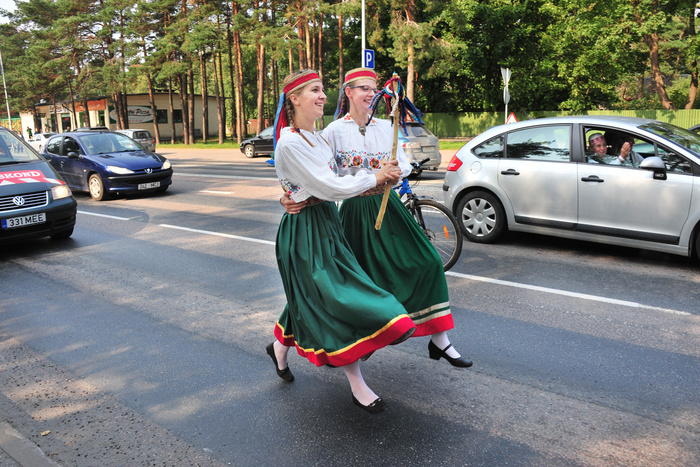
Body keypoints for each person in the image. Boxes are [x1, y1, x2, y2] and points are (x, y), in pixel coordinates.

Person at [283, 67, 472, 368]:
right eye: (364, 89)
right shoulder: (332, 133)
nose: (372, 94)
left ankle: (440, 341)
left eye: (375, 89)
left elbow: (405, 165)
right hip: (356, 212)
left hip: (390, 206)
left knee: (427, 262)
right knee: (347, 283)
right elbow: (316, 175)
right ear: (348, 92)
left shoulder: (386, 128)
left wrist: (397, 171)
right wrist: (288, 196)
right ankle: (294, 334)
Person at [268, 69, 417, 414]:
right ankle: (358, 384)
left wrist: (381, 175)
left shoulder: (317, 138)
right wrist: (374, 176)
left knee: (312, 297)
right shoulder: (289, 142)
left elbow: (334, 178)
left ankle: (279, 346)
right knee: (335, 298)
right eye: (315, 91)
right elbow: (330, 186)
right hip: (304, 232)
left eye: (322, 90)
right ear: (294, 99)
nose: (323, 96)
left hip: (326, 222)